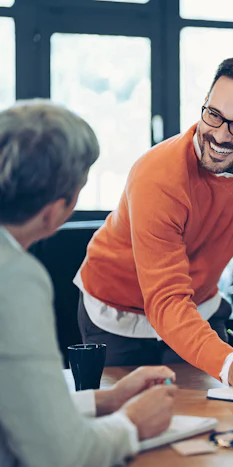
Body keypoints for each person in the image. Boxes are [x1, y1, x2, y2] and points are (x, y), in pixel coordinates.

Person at [75, 58, 233, 392]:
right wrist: (226, 364)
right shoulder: (158, 174)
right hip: (117, 313)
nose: (220, 135)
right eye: (213, 115)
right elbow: (165, 299)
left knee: (219, 416)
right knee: (132, 426)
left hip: (197, 305)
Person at [0, 100, 177, 466]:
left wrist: (103, 401)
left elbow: (16, 401)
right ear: (57, 209)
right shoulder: (15, 276)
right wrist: (131, 425)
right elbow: (59, 453)